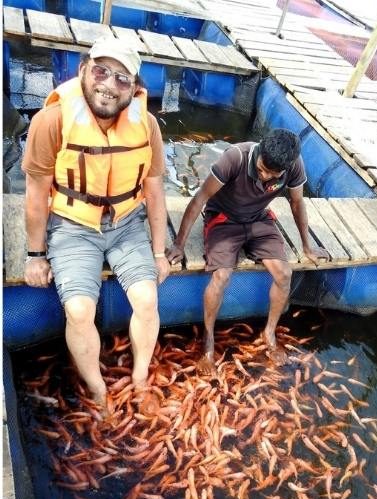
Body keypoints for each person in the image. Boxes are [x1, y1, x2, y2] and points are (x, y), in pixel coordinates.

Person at [22, 36, 170, 408]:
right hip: (73, 225)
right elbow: (37, 194)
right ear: (84, 69)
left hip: (127, 222)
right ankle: (98, 389)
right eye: (101, 71)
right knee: (79, 309)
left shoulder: (147, 125)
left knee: (148, 299)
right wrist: (35, 254)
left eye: (122, 78)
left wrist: (158, 252)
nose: (108, 84)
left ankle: (139, 379)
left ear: (135, 87)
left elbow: (154, 192)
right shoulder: (51, 120)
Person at [167, 128, 329, 375]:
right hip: (224, 219)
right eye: (262, 169)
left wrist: (307, 246)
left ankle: (269, 332)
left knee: (284, 274)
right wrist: (179, 243)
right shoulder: (236, 157)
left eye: (272, 175)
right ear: (260, 150)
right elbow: (200, 199)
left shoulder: (294, 165)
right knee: (221, 275)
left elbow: (297, 203)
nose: (265, 177)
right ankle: (208, 341)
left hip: (258, 219)